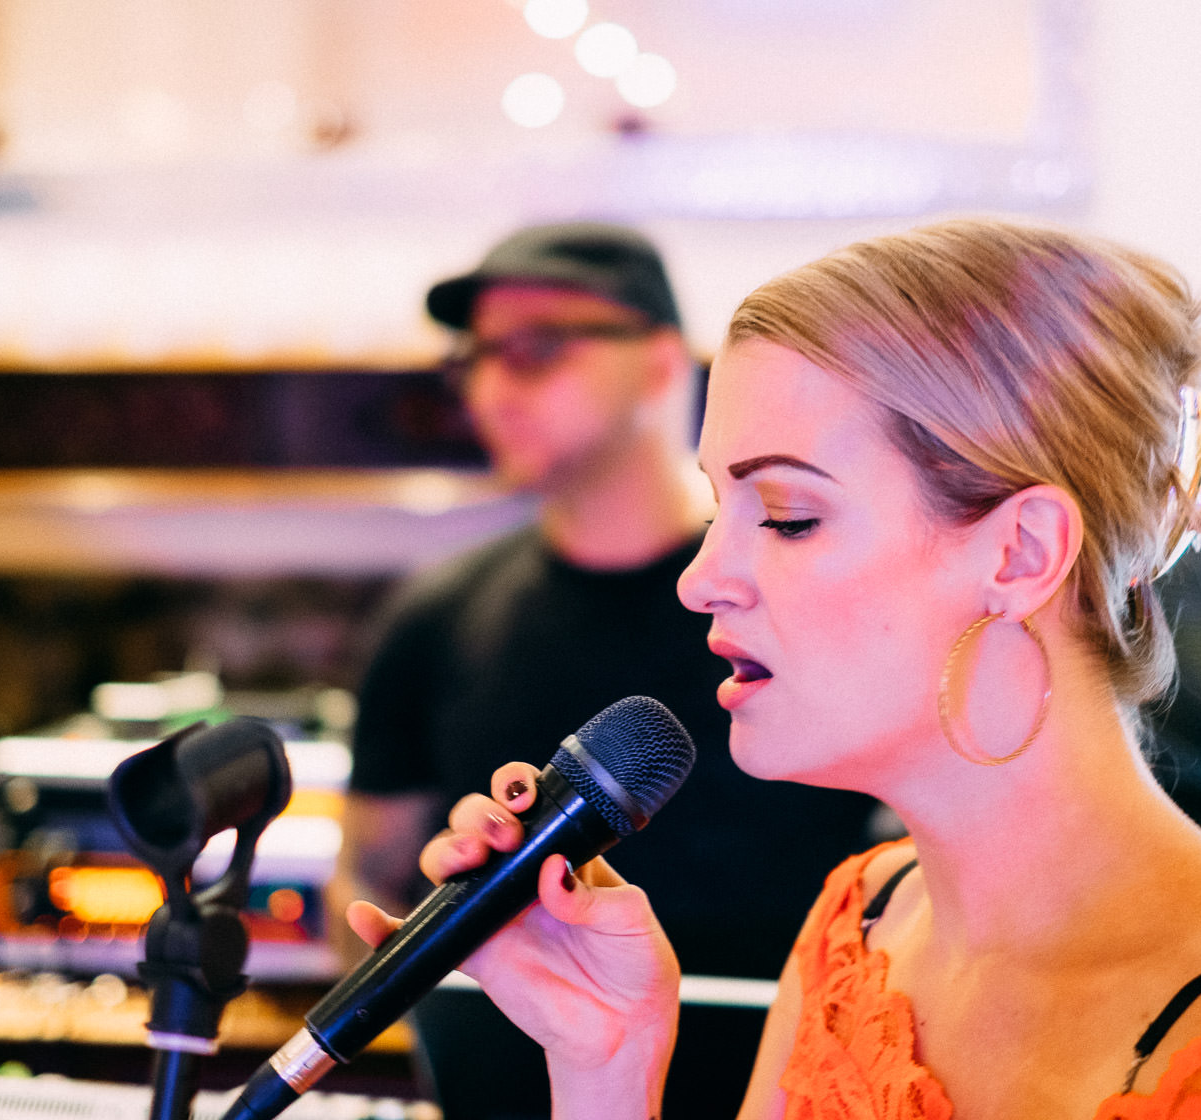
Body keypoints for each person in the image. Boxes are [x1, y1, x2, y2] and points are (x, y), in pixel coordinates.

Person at [347, 217, 1201, 1119]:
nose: (702, 579)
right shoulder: (865, 923)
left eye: (787, 514)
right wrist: (607, 1062)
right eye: (721, 505)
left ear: (1019, 553)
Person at [333, 222, 881, 1119]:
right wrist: (419, 984)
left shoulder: (790, 601)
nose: (489, 386)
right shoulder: (434, 618)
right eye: (472, 357)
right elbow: (366, 874)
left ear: (663, 363)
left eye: (535, 351)